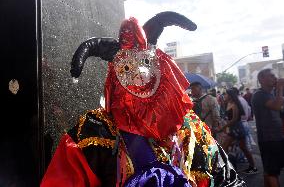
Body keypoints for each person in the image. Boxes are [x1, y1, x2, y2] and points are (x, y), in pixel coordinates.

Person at [41, 12, 246, 187]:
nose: (139, 73)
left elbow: (229, 180)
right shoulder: (94, 132)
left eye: (146, 62)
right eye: (127, 67)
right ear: (114, 76)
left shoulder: (194, 131)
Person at [252, 68, 284, 187]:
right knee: (272, 172)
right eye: (271, 76)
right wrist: (280, 88)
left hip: (276, 137)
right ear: (261, 79)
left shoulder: (270, 94)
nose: (275, 78)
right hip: (269, 138)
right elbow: (276, 106)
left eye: (274, 76)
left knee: (269, 169)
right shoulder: (259, 95)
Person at [219, 88, 257, 174]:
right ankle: (228, 167)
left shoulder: (235, 104)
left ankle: (252, 167)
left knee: (228, 147)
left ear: (230, 95)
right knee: (231, 147)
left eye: (226, 94)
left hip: (238, 129)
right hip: (233, 129)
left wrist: (223, 127)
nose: (224, 95)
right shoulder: (229, 103)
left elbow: (234, 119)